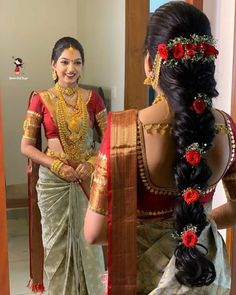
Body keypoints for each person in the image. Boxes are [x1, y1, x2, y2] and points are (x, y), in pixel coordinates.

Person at [84, 2, 236, 294]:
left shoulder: (124, 131)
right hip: (207, 276)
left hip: (143, 279)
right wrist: (198, 227)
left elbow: (94, 232)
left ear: (150, 63)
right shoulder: (226, 128)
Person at [21, 36, 107, 295]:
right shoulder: (41, 99)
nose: (71, 68)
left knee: (89, 244)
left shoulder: (93, 99)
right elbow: (26, 146)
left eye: (77, 62)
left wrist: (91, 163)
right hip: (53, 186)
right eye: (65, 62)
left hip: (85, 182)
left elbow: (109, 143)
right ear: (53, 65)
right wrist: (56, 166)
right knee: (56, 249)